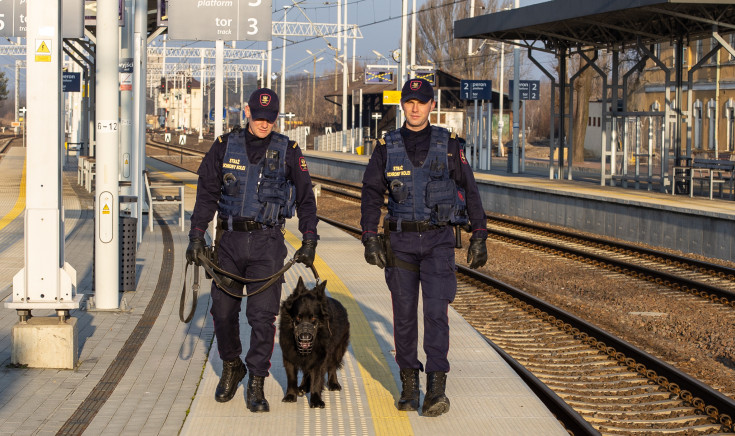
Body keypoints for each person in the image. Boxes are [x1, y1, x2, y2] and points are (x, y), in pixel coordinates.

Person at [360, 78, 488, 417]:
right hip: (400, 242)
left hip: (438, 243)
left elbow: (469, 189)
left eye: (422, 101)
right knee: (403, 318)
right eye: (409, 102)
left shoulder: (449, 146)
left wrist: (479, 234)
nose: (415, 107)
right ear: (402, 105)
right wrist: (369, 235)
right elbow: (371, 192)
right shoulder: (386, 147)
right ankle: (409, 386)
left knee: (436, 316)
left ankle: (435, 389)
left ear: (433, 105)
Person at [186, 88, 319, 413]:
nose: (264, 123)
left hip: (267, 244)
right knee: (223, 312)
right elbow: (206, 194)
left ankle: (257, 381)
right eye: (259, 118)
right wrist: (196, 235)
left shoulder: (288, 150)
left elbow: (305, 198)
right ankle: (233, 365)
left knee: (261, 317)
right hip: (229, 243)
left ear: (276, 117)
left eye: (270, 119)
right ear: (247, 112)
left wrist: (310, 238)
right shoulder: (223, 147)